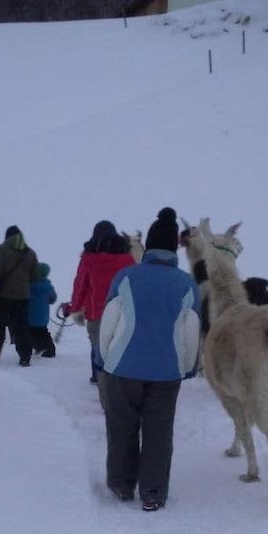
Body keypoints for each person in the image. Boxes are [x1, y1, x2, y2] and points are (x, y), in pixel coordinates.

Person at [97, 207, 200, 512]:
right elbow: (191, 330)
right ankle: (153, 492)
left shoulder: (127, 276)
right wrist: (187, 366)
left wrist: (105, 357)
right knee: (159, 431)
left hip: (123, 367)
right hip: (167, 371)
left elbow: (109, 320)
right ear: (173, 249)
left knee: (121, 425)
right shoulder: (186, 284)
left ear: (149, 245)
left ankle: (121, 484)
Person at [67, 221, 135, 383]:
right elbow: (134, 286)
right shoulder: (127, 259)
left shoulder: (88, 259)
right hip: (121, 313)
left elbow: (80, 285)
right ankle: (119, 379)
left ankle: (99, 378)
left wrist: (75, 308)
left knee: (98, 347)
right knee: (119, 345)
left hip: (96, 313)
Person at [0, 225, 39, 367]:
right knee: (21, 326)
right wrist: (23, 285)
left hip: (3, 295)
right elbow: (35, 276)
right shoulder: (30, 253)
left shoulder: (1, 250)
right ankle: (25, 357)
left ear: (7, 237)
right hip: (23, 297)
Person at [28, 262, 58, 358]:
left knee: (30, 333)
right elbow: (53, 299)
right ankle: (50, 350)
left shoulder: (29, 285)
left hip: (29, 316)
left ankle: (38, 348)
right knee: (43, 333)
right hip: (42, 317)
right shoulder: (49, 286)